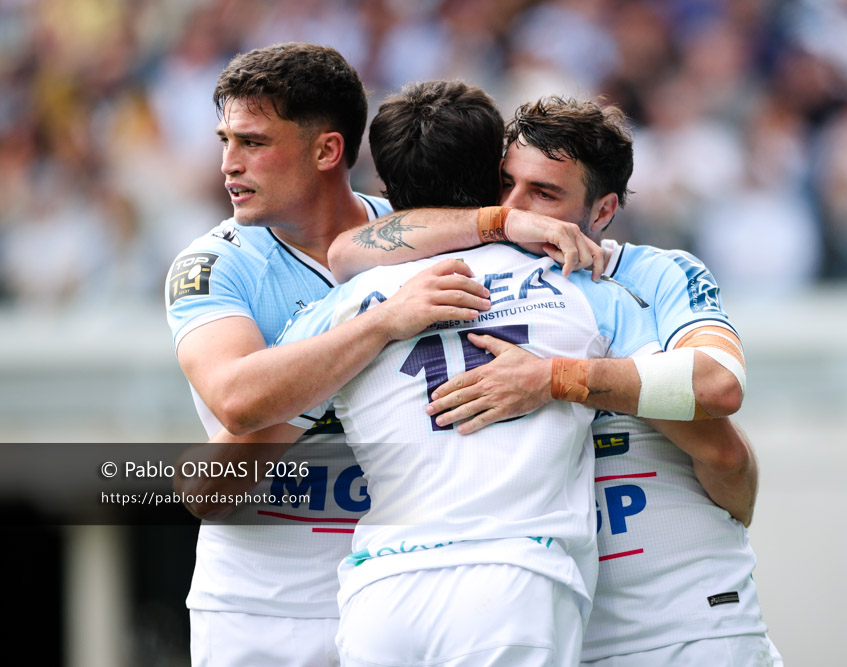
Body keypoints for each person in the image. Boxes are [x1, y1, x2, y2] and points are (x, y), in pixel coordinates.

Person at [165, 43, 597, 667]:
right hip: (263, 601)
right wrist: (382, 325)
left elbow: (441, 233)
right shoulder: (214, 264)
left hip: (388, 582)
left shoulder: (401, 233)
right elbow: (237, 401)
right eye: (224, 140)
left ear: (327, 151)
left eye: (252, 142)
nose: (228, 164)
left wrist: (504, 224)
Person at [329, 96, 782, 664]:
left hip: (680, 620)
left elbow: (718, 394)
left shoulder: (652, 276)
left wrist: (554, 378)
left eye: (545, 194)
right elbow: (348, 250)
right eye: (507, 184)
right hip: (559, 620)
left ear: (603, 210)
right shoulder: (478, 262)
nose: (522, 208)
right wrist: (498, 221)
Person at [261, 80, 669, 666]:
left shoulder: (345, 304)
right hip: (514, 579)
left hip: (384, 590)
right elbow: (694, 396)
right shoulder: (582, 282)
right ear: (493, 177)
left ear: (384, 189)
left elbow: (245, 423)